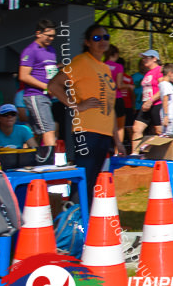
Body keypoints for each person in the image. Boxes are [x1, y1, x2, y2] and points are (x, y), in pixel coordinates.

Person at [47, 24, 123, 202]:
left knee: (94, 181)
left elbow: (109, 106)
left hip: (104, 133)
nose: (102, 41)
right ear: (87, 42)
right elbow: (53, 85)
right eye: (97, 38)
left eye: (106, 37)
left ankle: (86, 222)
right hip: (87, 130)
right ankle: (75, 221)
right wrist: (76, 105)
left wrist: (117, 139)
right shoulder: (81, 61)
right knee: (84, 180)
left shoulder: (104, 68)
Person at [18, 19, 59, 164]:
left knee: (35, 131)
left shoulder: (52, 50)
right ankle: (51, 163)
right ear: (38, 33)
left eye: (53, 36)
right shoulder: (30, 50)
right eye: (48, 35)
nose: (51, 39)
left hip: (48, 96)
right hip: (35, 96)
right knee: (49, 128)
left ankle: (24, 160)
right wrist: (45, 87)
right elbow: (23, 75)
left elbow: (50, 71)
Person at [131, 50, 163, 144]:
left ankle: (164, 154)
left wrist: (151, 100)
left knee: (159, 131)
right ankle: (135, 154)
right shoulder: (148, 73)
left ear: (155, 59)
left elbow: (163, 88)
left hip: (157, 104)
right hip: (146, 106)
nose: (144, 60)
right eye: (143, 58)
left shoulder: (159, 70)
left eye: (146, 58)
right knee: (136, 128)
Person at [105, 46, 133, 150]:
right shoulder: (118, 66)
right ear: (116, 54)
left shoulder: (101, 65)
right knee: (120, 127)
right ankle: (118, 151)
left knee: (107, 126)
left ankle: (107, 150)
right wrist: (130, 86)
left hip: (105, 99)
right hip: (117, 98)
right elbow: (120, 85)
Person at [158, 64, 173, 136]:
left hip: (170, 115)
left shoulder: (165, 84)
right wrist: (166, 116)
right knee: (168, 136)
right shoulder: (165, 84)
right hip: (169, 115)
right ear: (170, 73)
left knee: (166, 136)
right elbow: (165, 99)